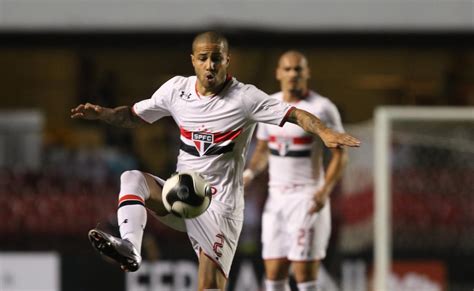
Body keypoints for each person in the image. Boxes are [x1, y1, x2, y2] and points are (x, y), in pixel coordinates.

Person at [70, 32, 360, 291]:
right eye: (204, 58)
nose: (211, 65)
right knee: (131, 178)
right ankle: (131, 247)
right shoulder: (176, 90)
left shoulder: (245, 98)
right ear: (193, 60)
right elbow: (133, 115)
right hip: (181, 194)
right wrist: (104, 114)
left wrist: (323, 131)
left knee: (209, 287)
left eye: (217, 58)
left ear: (227, 60)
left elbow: (295, 114)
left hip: (219, 207)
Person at [243, 51, 348, 291]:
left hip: (307, 197)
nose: (292, 74)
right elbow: (263, 149)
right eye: (287, 69)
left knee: (304, 278)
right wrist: (250, 173)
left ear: (307, 72)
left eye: (298, 69)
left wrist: (325, 190)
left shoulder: (322, 108)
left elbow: (341, 156)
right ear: (278, 73)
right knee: (273, 277)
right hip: (276, 199)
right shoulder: (269, 106)